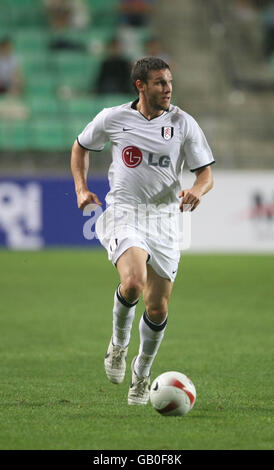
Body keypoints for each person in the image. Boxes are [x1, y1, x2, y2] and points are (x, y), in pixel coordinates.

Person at [71, 57, 215, 405]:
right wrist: (80, 188)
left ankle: (141, 374)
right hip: (125, 212)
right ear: (141, 85)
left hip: (164, 219)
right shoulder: (113, 117)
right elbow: (81, 147)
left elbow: (206, 174)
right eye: (160, 83)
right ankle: (118, 346)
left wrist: (198, 189)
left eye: (169, 82)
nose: (168, 89)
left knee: (158, 308)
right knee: (133, 282)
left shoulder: (183, 123)